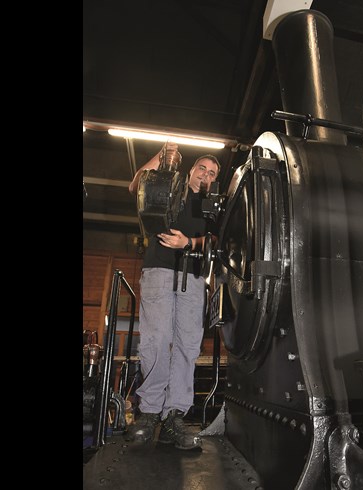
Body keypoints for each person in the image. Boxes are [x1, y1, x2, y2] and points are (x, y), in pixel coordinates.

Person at [127, 142, 220, 450]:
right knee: (156, 339)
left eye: (212, 173)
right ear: (190, 170)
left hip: (193, 278)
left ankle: (174, 416)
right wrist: (163, 152)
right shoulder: (169, 185)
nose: (205, 175)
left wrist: (189, 242)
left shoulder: (214, 206)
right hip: (158, 271)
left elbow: (217, 241)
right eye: (202, 168)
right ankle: (149, 412)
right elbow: (136, 185)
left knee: (187, 346)